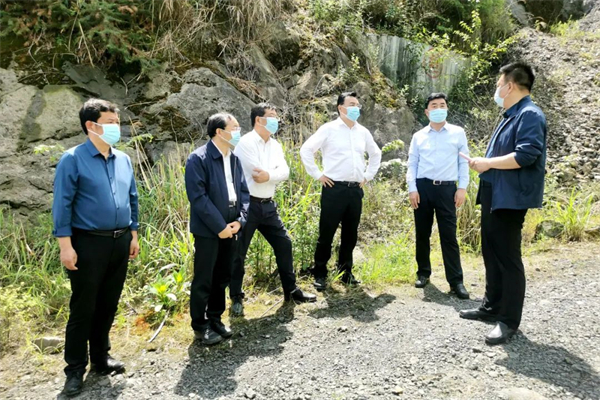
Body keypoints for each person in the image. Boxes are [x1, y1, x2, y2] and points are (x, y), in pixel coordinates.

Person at [52, 98, 139, 397]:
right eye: (110, 123)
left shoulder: (123, 159)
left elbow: (132, 197)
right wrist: (65, 246)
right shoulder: (73, 159)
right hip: (88, 242)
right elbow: (62, 205)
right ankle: (75, 369)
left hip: (120, 240)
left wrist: (134, 234)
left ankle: (101, 358)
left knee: (108, 303)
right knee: (84, 306)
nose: (117, 127)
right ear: (91, 125)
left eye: (117, 122)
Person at [459, 62, 547, 345]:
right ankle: (491, 307)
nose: (496, 90)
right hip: (494, 193)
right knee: (491, 252)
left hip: (510, 198)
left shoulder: (529, 114)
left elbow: (526, 155)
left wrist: (487, 163)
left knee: (507, 257)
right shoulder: (512, 114)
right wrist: (484, 164)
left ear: (510, 86)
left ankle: (508, 320)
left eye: (498, 84)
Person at [229, 103, 317, 315]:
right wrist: (272, 173)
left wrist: (269, 175)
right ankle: (236, 297)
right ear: (258, 120)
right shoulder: (246, 142)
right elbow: (255, 172)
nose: (276, 120)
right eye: (271, 116)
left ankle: (291, 290)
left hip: (268, 204)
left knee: (284, 243)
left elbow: (284, 171)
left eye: (276, 116)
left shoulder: (275, 145)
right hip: (247, 205)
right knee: (238, 252)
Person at [300, 91, 382, 291]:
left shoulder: (363, 131)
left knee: (350, 234)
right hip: (333, 188)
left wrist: (367, 176)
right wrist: (318, 175)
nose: (356, 108)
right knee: (326, 233)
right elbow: (306, 150)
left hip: (355, 189)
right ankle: (320, 273)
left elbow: (375, 153)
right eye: (351, 104)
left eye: (357, 104)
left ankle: (345, 272)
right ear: (340, 108)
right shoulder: (329, 129)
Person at [185, 113, 249, 345]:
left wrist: (240, 220)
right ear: (219, 132)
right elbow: (198, 198)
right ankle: (200, 326)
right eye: (235, 128)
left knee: (222, 276)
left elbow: (244, 193)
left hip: (232, 226)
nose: (238, 132)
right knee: (204, 278)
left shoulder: (234, 158)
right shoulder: (198, 158)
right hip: (209, 230)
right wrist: (219, 226)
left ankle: (215, 319)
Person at [406, 93, 470, 299]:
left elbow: (463, 162)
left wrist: (462, 187)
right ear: (427, 112)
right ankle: (423, 273)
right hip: (423, 188)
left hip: (447, 189)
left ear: (447, 109)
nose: (439, 108)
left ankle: (456, 281)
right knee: (422, 233)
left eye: (442, 105)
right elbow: (412, 164)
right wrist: (412, 188)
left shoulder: (458, 133)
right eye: (434, 106)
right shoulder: (418, 136)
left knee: (449, 235)